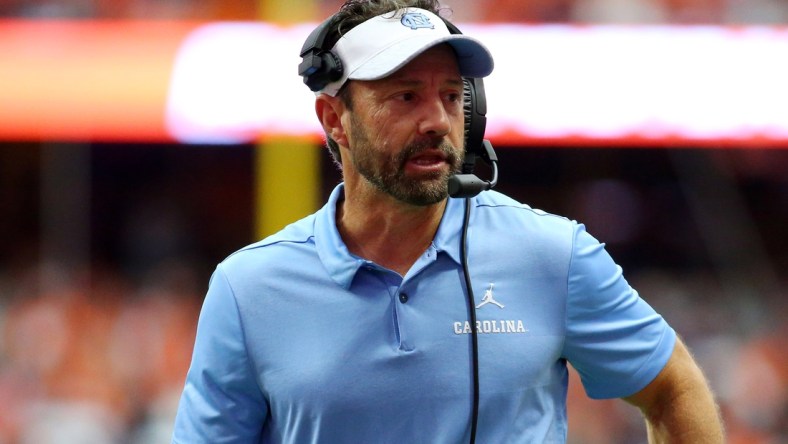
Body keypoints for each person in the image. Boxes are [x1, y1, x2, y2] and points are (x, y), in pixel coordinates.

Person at [172, 0, 725, 442]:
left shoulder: (553, 255)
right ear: (334, 118)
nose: (437, 120)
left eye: (451, 96)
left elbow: (673, 388)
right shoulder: (247, 290)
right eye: (405, 96)